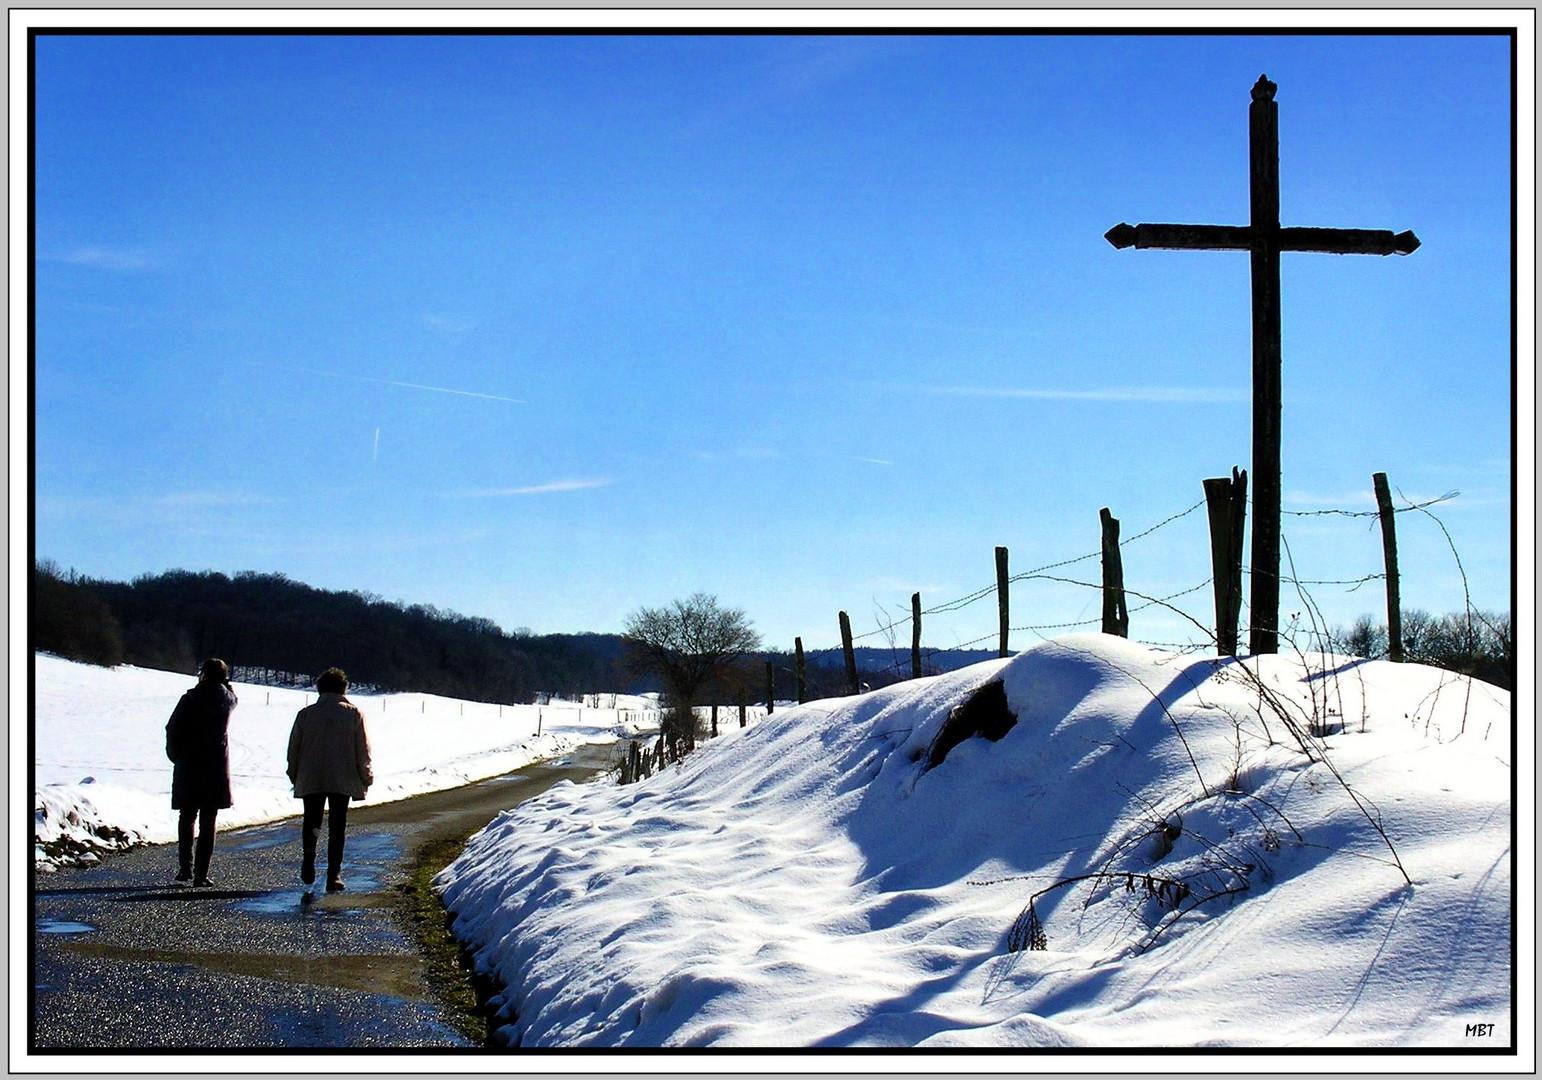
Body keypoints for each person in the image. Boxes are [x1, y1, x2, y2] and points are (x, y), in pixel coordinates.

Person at [286, 667, 372, 892]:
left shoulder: (305, 714)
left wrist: (295, 775)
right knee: (337, 825)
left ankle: (309, 857)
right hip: (342, 777)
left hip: (311, 775)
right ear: (344, 688)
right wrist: (366, 777)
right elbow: (362, 750)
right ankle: (334, 874)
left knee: (312, 820)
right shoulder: (353, 714)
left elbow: (293, 749)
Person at [165, 657, 237, 886]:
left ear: (204, 674)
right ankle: (201, 874)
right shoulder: (227, 701)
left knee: (187, 817)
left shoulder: (190, 698)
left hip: (189, 763)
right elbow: (234, 698)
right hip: (215, 766)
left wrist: (175, 755)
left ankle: (185, 868)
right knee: (209, 820)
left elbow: (172, 728)